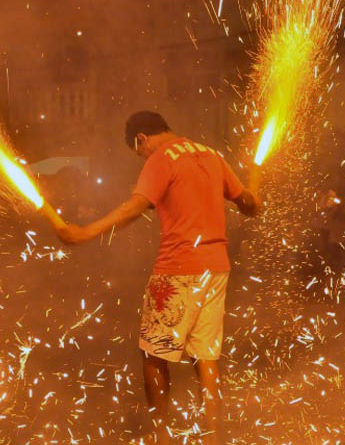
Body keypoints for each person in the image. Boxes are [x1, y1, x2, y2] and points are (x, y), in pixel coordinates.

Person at [52, 111, 262, 445]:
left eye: (139, 151)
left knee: (153, 356)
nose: (142, 157)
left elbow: (135, 207)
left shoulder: (161, 159)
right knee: (206, 357)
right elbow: (248, 204)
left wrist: (85, 233)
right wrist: (254, 197)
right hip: (216, 268)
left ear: (141, 139)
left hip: (177, 269)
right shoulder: (210, 154)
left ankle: (161, 436)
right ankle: (213, 437)